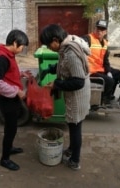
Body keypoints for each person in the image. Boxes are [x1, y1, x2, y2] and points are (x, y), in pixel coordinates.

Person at [39, 24, 91, 170]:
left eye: (49, 45)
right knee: (72, 124)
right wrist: (48, 69)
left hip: (77, 95)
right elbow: (63, 65)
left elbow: (78, 81)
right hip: (75, 93)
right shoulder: (65, 49)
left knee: (75, 127)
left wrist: (56, 84)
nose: (49, 48)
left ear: (56, 39)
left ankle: (75, 160)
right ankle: (71, 149)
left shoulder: (71, 54)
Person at [0, 29, 31, 171]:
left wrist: (21, 74)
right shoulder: (1, 57)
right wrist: (17, 91)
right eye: (21, 46)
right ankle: (5, 159)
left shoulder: (8, 55)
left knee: (12, 128)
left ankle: (10, 148)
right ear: (14, 43)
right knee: (10, 129)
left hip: (11, 98)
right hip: (6, 99)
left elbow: (8, 73)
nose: (22, 49)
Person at [81, 19, 120, 106]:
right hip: (90, 71)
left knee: (118, 73)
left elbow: (105, 60)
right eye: (98, 29)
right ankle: (103, 100)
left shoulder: (105, 43)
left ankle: (109, 95)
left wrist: (109, 71)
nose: (99, 31)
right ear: (95, 29)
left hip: (100, 68)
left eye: (102, 29)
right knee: (109, 81)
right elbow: (80, 43)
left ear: (105, 32)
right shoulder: (88, 38)